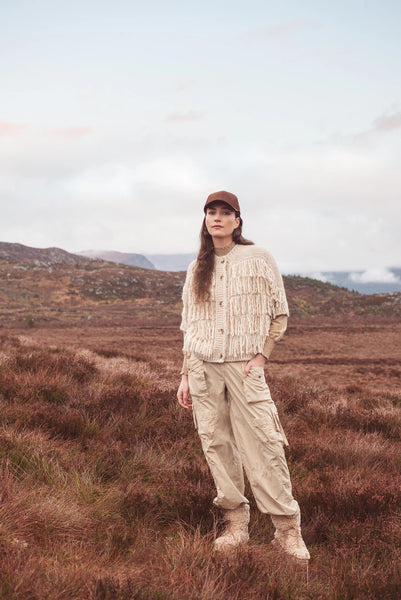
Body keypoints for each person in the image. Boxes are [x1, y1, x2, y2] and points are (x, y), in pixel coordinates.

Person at [177, 190, 310, 563]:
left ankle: (287, 530)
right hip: (203, 367)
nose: (216, 218)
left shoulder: (259, 258)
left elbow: (279, 313)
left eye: (225, 213)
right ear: (205, 220)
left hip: (243, 367)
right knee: (216, 445)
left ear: (237, 221)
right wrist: (186, 374)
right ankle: (236, 525)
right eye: (210, 212)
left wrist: (262, 355)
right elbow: (190, 326)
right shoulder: (195, 268)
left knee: (264, 446)